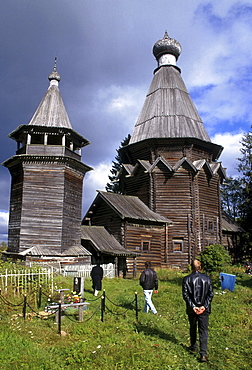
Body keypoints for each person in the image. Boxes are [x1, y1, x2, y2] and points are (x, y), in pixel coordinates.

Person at [182, 259, 214, 363]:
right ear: (200, 268)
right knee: (203, 330)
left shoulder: (186, 279)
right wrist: (204, 306)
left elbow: (185, 295)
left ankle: (193, 346)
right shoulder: (207, 278)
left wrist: (193, 306)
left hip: (192, 309)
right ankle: (203, 354)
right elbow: (210, 294)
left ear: (191, 267)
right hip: (204, 309)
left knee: (192, 327)